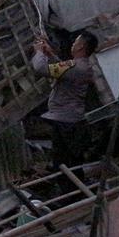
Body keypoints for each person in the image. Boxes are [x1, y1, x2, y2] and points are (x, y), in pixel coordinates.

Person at [31, 31, 98, 170]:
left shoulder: (76, 67)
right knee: (68, 163)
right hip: (69, 121)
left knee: (65, 164)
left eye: (75, 43)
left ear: (80, 47)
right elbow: (62, 70)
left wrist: (39, 52)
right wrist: (50, 54)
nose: (72, 45)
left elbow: (40, 68)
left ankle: (74, 189)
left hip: (67, 124)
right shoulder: (81, 66)